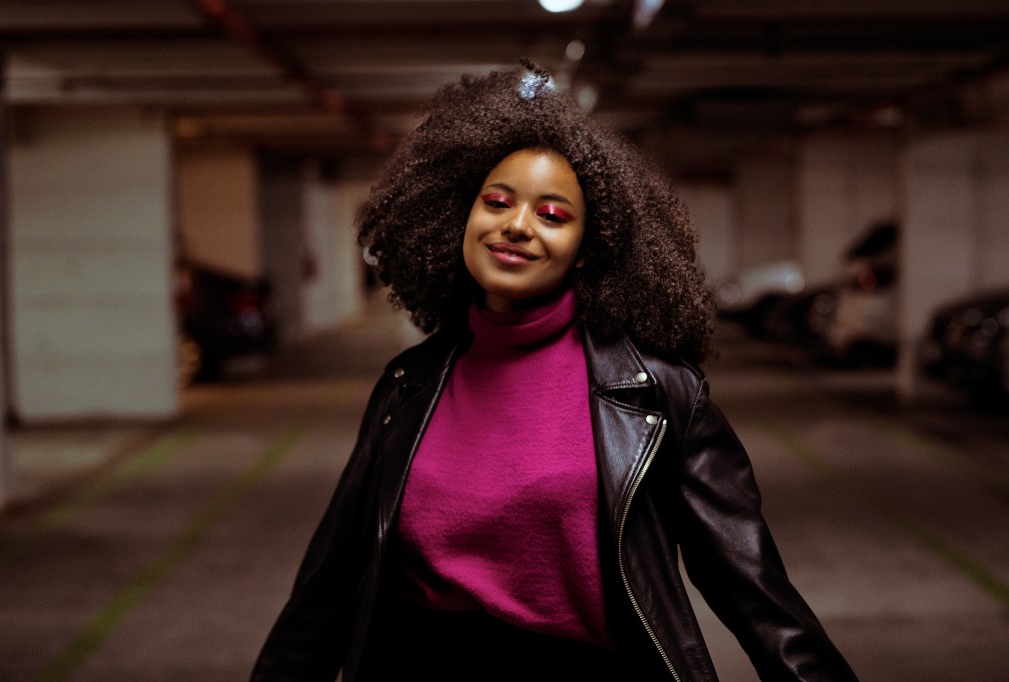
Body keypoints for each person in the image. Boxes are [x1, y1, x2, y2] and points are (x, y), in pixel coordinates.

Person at [251, 62, 858, 682]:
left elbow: (755, 591)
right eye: (496, 202)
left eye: (552, 214)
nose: (516, 225)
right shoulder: (408, 385)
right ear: (459, 215)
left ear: (589, 246)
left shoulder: (654, 394)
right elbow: (324, 592)